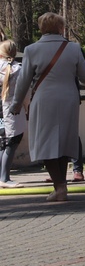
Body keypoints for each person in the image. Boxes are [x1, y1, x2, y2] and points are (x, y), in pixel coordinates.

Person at [9, 12, 85, 201]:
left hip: (44, 99)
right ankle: (60, 187)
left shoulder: (32, 50)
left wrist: (16, 105)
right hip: (69, 99)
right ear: (60, 27)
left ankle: (60, 187)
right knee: (64, 141)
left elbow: (23, 82)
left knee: (45, 142)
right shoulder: (73, 48)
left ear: (41, 28)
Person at [0, 40, 27, 188]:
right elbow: (25, 92)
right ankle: (4, 177)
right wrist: (26, 107)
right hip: (12, 110)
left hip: (1, 110)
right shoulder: (19, 69)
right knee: (11, 142)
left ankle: (2, 176)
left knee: (3, 143)